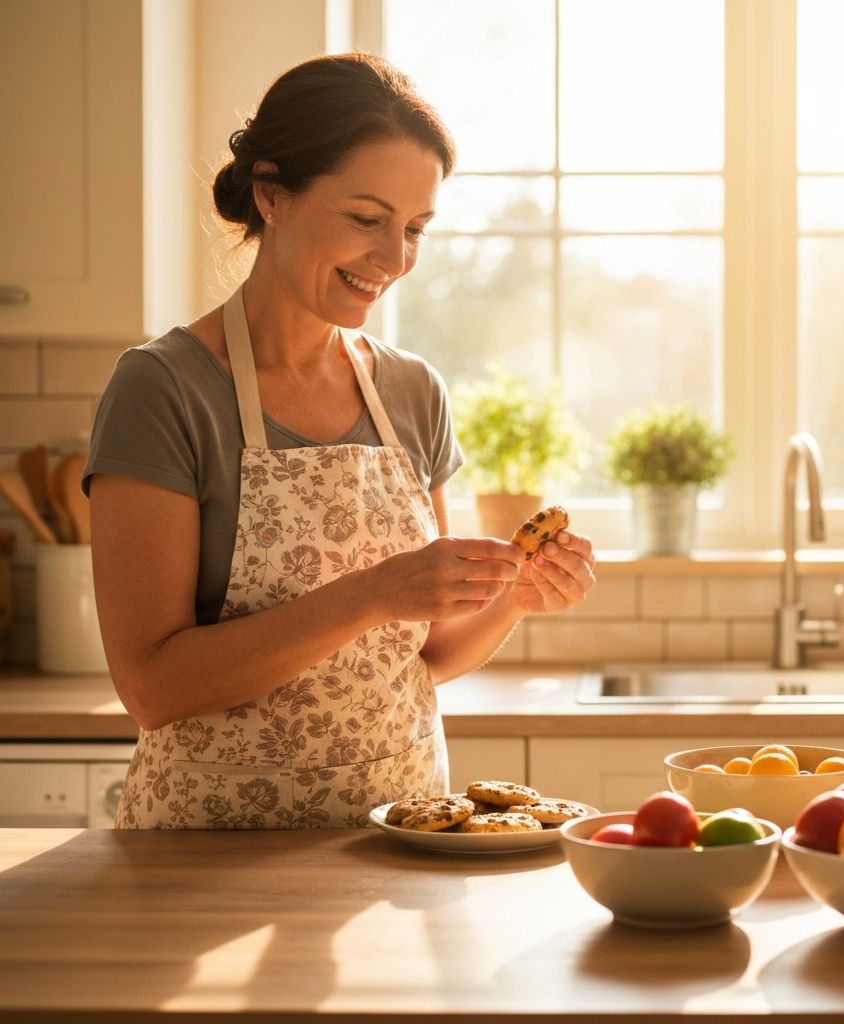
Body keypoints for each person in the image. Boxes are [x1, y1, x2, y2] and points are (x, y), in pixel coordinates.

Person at [84, 53, 596, 829]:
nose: (394, 261)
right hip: (203, 859)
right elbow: (154, 686)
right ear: (271, 195)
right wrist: (371, 593)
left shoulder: (412, 392)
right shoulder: (164, 389)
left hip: (396, 843)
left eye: (415, 229)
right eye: (367, 219)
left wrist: (513, 600)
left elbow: (425, 656)